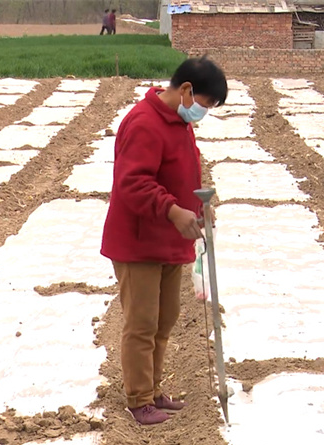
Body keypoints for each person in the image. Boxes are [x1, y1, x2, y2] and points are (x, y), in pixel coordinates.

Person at [100, 56, 228, 425]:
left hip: (168, 241)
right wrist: (173, 210)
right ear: (186, 89)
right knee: (142, 323)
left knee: (165, 319)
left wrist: (199, 207)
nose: (203, 113)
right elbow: (133, 183)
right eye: (204, 104)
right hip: (139, 243)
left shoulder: (179, 124)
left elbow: (180, 174)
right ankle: (139, 399)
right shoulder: (144, 123)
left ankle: (154, 390)